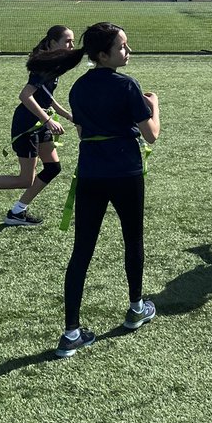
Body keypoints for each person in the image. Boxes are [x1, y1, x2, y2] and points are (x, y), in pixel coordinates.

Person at [55, 22, 160, 359]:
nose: (128, 51)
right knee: (134, 240)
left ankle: (71, 332)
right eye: (123, 47)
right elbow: (152, 135)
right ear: (103, 55)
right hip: (125, 172)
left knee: (81, 252)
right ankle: (135, 308)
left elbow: (84, 128)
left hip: (90, 174)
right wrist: (154, 105)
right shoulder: (127, 85)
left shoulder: (78, 88)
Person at [0, 25, 77, 227]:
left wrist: (69, 116)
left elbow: (46, 97)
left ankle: (18, 211)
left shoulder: (53, 63)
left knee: (53, 167)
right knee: (25, 179)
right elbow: (25, 96)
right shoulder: (44, 65)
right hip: (27, 124)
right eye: (67, 41)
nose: (72, 45)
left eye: (72, 41)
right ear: (53, 43)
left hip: (39, 122)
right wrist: (48, 120)